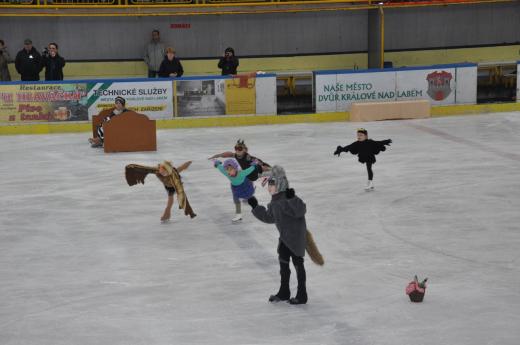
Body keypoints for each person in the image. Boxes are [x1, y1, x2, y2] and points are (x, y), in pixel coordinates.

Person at [246, 166, 309, 305]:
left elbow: (300, 211)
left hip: (295, 237)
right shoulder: (274, 201)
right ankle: (284, 291)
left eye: (272, 185)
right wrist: (255, 207)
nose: (269, 188)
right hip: (285, 238)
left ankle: (302, 294)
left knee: (298, 264)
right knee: (284, 265)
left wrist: (292, 199)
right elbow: (269, 218)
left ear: (280, 184)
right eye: (269, 185)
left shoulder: (288, 197)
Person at [209, 139, 270, 218]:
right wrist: (218, 155)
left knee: (255, 172)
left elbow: (261, 164)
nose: (237, 150)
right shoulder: (236, 155)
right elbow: (228, 154)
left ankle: (267, 175)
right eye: (236, 148)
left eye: (239, 149)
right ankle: (247, 198)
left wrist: (270, 168)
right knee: (242, 185)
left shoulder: (248, 158)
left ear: (244, 150)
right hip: (246, 176)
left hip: (252, 174)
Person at [125, 160, 196, 222]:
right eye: (162, 172)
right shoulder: (156, 170)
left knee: (179, 170)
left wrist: (189, 211)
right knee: (179, 169)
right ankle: (167, 214)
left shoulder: (174, 177)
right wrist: (131, 167)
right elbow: (143, 168)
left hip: (173, 185)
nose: (163, 174)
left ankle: (167, 214)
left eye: (166, 173)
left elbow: (181, 193)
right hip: (167, 185)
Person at [213, 158, 261, 223]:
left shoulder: (241, 173)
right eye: (227, 170)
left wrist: (254, 164)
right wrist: (217, 163)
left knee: (249, 196)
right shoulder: (226, 173)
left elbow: (250, 170)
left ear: (235, 168)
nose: (228, 172)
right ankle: (238, 215)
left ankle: (257, 208)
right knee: (236, 200)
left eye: (230, 170)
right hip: (235, 188)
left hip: (245, 186)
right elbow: (221, 168)